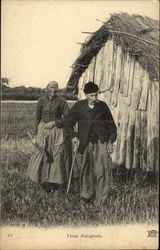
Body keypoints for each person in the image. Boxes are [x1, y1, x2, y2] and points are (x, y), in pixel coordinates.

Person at [63, 81, 117, 205]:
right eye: (91, 95)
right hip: (84, 142)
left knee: (102, 170)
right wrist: (73, 137)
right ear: (86, 95)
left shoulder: (102, 106)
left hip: (101, 141)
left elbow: (112, 126)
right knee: (85, 169)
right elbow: (68, 123)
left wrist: (110, 141)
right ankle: (85, 195)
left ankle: (100, 200)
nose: (94, 98)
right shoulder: (79, 106)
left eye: (96, 95)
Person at [27, 81, 71, 193]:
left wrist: (56, 122)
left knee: (57, 156)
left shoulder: (62, 101)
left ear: (58, 89)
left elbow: (68, 118)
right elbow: (37, 117)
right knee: (43, 154)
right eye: (51, 87)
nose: (53, 89)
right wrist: (34, 135)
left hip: (57, 132)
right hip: (43, 131)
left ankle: (56, 183)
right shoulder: (41, 100)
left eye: (56, 87)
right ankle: (43, 182)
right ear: (47, 88)